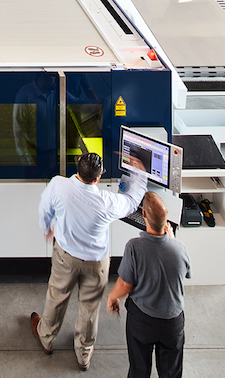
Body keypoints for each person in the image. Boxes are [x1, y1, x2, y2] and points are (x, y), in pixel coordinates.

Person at [30, 152, 146, 372]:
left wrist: (47, 227)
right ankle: (83, 353)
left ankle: (46, 336)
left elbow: (45, 208)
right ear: (98, 178)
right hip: (95, 263)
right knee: (89, 308)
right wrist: (139, 173)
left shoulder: (58, 186)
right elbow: (131, 202)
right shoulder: (107, 202)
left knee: (56, 297)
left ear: (78, 168)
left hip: (65, 257)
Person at [107, 191, 191, 378]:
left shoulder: (134, 247)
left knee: (139, 369)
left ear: (143, 215)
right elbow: (186, 273)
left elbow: (125, 285)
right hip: (172, 322)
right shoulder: (179, 248)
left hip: (143, 321)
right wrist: (172, 240)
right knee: (171, 373)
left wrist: (113, 297)